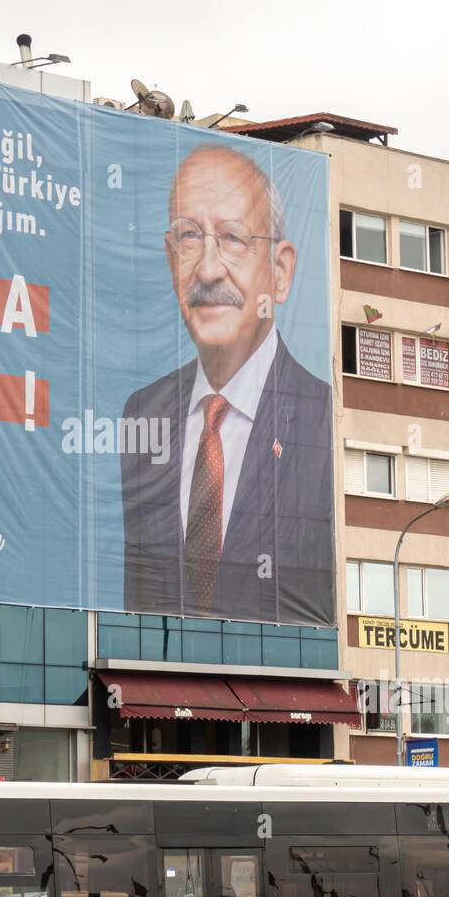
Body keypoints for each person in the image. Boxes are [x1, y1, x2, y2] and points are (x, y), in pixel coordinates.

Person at [120, 144, 333, 624]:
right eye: (189, 237)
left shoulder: (325, 421)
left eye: (233, 238)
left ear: (279, 273)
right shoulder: (140, 414)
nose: (209, 269)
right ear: (169, 257)